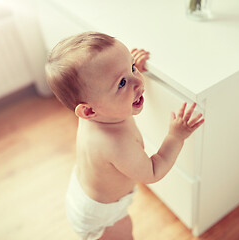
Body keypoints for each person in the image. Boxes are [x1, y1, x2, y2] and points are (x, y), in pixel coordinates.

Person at [45, 32, 204, 240]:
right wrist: (176, 136)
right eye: (121, 83)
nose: (138, 82)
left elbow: (106, 77)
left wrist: (127, 71)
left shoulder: (97, 110)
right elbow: (153, 171)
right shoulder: (115, 143)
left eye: (132, 67)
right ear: (88, 111)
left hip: (85, 193)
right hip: (101, 216)